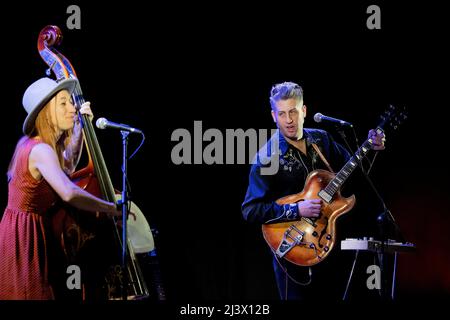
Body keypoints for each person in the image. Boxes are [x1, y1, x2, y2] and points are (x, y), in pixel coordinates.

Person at [241, 81, 385, 300]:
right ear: (273, 115)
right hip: (292, 250)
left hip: (330, 245)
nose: (288, 120)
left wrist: (371, 149)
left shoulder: (321, 139)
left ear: (304, 110)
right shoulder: (266, 157)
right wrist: (296, 209)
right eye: (282, 114)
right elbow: (251, 210)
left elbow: (357, 174)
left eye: (293, 111)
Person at [0, 77, 122, 300]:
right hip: (27, 236)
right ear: (46, 112)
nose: (72, 107)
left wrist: (79, 127)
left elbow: (66, 167)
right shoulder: (40, 150)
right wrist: (111, 207)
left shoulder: (38, 145)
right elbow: (68, 191)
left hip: (24, 229)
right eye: (63, 103)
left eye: (70, 102)